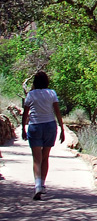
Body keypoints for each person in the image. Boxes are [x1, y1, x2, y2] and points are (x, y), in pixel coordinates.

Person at [22, 72, 64, 200]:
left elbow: (25, 113)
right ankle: (43, 184)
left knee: (36, 158)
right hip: (50, 126)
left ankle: (38, 185)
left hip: (35, 126)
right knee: (45, 157)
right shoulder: (51, 93)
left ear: (35, 82)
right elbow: (57, 111)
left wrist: (23, 128)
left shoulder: (31, 94)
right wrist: (62, 128)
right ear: (46, 82)